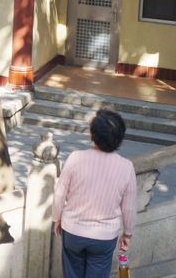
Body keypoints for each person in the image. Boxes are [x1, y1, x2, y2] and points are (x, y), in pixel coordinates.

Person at [53, 109, 137, 278]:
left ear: (92, 134)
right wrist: (128, 233)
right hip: (104, 237)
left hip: (73, 231)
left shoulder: (75, 158)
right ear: (120, 137)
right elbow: (129, 207)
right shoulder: (126, 167)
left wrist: (57, 218)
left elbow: (60, 193)